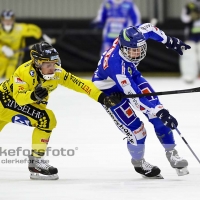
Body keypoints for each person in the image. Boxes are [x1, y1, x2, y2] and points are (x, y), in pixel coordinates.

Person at [0, 41, 121, 180]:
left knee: (46, 118)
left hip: (9, 105)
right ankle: (35, 163)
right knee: (46, 119)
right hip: (5, 102)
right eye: (48, 65)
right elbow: (19, 99)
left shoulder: (57, 73)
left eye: (54, 63)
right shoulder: (24, 72)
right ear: (37, 63)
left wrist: (102, 98)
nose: (53, 68)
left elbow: (81, 84)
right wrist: (33, 95)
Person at [92, 23, 191, 178]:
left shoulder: (134, 38)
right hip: (109, 90)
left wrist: (169, 41)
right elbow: (138, 100)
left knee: (158, 117)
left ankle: (172, 152)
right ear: (124, 49)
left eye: (140, 48)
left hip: (132, 75)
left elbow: (150, 28)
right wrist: (160, 111)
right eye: (133, 50)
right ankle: (139, 163)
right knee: (137, 131)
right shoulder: (117, 66)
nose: (138, 53)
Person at [0, 9, 54, 79]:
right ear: (1, 20)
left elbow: (33, 29)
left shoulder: (19, 28)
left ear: (13, 20)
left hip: (16, 54)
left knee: (11, 75)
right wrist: (3, 48)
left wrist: (43, 36)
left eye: (10, 20)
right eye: (5, 20)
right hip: (1, 54)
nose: (8, 22)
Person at [180, 0, 200, 83]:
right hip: (191, 35)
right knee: (189, 54)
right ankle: (189, 75)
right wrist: (191, 17)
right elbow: (183, 18)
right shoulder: (189, 5)